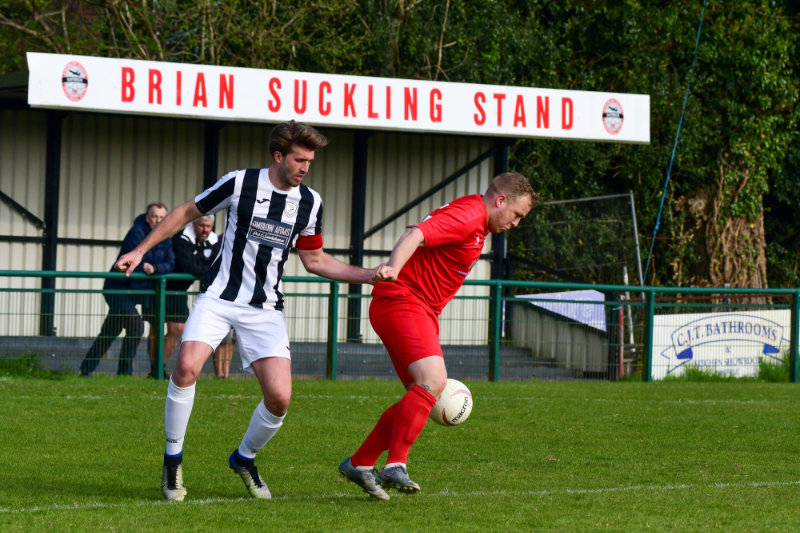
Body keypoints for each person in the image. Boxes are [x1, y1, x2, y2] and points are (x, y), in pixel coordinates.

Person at [112, 120, 392, 502]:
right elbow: (187, 212)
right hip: (218, 298)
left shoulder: (310, 202)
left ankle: (244, 459)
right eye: (299, 160)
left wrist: (369, 274)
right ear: (278, 156)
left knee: (280, 399)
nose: (305, 167)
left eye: (310, 161)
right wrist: (139, 250)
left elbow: (315, 260)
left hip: (265, 309)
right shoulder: (240, 182)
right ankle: (172, 462)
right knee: (186, 367)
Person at [338, 172, 537, 500]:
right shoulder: (470, 214)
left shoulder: (476, 221)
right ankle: (395, 464)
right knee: (432, 379)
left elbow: (425, 232)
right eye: (517, 214)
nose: (516, 223)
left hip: (419, 309)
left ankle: (360, 463)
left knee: (422, 394)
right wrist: (394, 268)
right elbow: (415, 234)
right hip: (404, 300)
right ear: (501, 200)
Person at [80, 202, 174, 377]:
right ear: (147, 218)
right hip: (118, 288)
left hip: (136, 292)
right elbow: (133, 260)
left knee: (110, 330)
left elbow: (170, 263)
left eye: (162, 217)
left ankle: (86, 370)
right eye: (154, 216)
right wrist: (147, 267)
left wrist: (155, 268)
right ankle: (124, 373)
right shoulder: (136, 233)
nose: (158, 220)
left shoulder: (166, 237)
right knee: (136, 326)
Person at [153, 214, 221, 379]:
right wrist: (204, 269)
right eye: (202, 226)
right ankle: (155, 369)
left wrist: (201, 269)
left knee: (178, 329)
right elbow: (186, 266)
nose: (205, 230)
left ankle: (159, 367)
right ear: (194, 224)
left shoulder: (213, 240)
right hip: (163, 287)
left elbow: (215, 265)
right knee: (156, 328)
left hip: (180, 290)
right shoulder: (181, 238)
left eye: (208, 227)